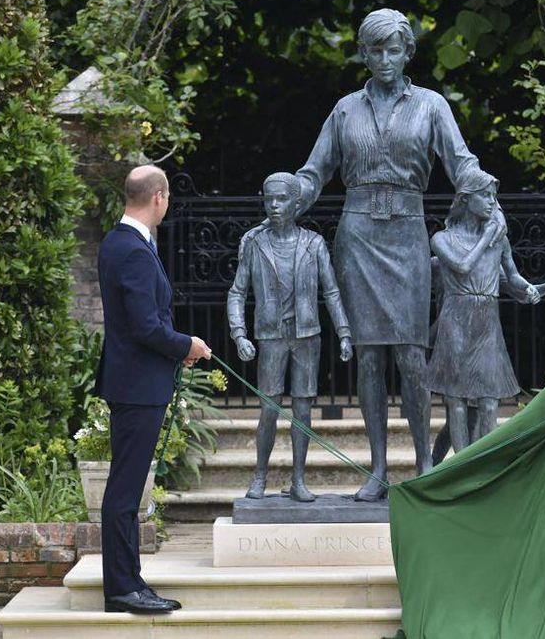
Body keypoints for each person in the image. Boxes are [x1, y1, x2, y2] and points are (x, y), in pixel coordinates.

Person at [287, 9, 505, 501]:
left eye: (394, 50)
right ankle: (379, 467)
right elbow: (314, 171)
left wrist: (488, 197)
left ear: (408, 53)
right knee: (368, 357)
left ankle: (426, 463)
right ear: (363, 54)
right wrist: (288, 198)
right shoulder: (345, 110)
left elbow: (460, 162)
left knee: (411, 354)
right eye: (375, 50)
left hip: (407, 235)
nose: (384, 59)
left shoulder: (431, 106)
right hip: (358, 236)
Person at [94, 165, 211, 614]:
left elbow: (137, 322)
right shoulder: (135, 252)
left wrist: (173, 350)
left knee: (125, 488)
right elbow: (145, 326)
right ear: (158, 197)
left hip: (135, 380)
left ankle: (129, 581)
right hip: (139, 386)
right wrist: (189, 345)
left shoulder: (116, 242)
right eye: (167, 199)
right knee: (125, 491)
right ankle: (123, 589)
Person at [227, 172, 353, 502]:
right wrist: (239, 334)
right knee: (268, 409)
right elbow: (237, 293)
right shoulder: (255, 243)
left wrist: (344, 332)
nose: (274, 206)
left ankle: (298, 479)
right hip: (271, 336)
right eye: (269, 199)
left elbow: (332, 291)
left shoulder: (313, 244)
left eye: (281, 199)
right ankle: (260, 476)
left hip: (307, 335)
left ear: (297, 204)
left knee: (303, 410)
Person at [423, 170, 545, 453]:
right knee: (457, 400)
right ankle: (461, 466)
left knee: (489, 398)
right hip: (456, 317)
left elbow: (512, 277)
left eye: (494, 196)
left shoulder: (499, 241)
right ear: (465, 199)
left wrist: (535, 288)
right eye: (485, 195)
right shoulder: (442, 239)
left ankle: (484, 464)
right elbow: (462, 267)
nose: (492, 202)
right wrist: (488, 235)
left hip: (487, 319)